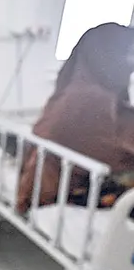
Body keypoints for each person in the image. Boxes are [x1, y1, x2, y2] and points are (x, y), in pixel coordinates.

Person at [17, 23, 134, 212]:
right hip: (70, 187)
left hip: (65, 178)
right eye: (127, 54)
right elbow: (106, 152)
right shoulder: (89, 98)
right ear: (108, 56)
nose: (130, 63)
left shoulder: (84, 87)